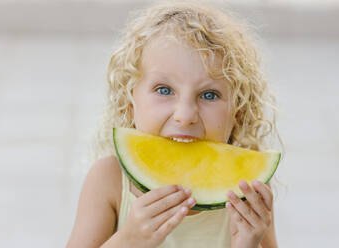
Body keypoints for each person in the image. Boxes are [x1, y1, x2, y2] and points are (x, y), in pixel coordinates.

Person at [67, 1, 283, 247]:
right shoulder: (109, 179)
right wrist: (128, 240)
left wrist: (247, 243)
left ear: (238, 111)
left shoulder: (247, 190)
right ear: (130, 102)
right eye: (164, 89)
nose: (185, 114)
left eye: (209, 95)